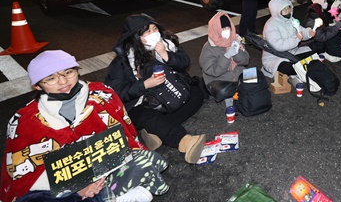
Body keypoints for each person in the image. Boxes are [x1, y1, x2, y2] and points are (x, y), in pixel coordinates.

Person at [1, 50, 170, 202]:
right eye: (51, 78)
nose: (63, 81)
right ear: (37, 85)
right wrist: (76, 188)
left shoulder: (102, 95)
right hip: (60, 184)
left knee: (144, 162)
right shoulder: (25, 120)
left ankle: (110, 195)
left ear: (78, 71)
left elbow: (125, 136)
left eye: (68, 72)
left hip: (106, 169)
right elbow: (24, 171)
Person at [105, 13, 206, 164]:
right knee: (142, 114)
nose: (154, 34)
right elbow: (116, 92)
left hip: (170, 92)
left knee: (197, 93)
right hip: (143, 102)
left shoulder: (167, 44)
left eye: (154, 29)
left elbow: (184, 63)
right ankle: (185, 141)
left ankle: (156, 132)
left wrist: (166, 55)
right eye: (147, 32)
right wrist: (145, 84)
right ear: (135, 37)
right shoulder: (123, 62)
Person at [200, 12, 250, 112]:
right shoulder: (209, 48)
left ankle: (238, 92)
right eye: (223, 29)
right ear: (216, 29)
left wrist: (236, 51)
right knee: (223, 91)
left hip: (236, 73)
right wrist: (227, 56)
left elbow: (245, 61)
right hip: (219, 79)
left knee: (257, 76)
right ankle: (235, 93)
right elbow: (214, 72)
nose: (227, 31)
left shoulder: (234, 40)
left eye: (228, 28)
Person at [261, 0, 316, 79]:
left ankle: (300, 69)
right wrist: (296, 39)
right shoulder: (270, 25)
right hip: (275, 57)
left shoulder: (292, 20)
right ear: (276, 11)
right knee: (286, 67)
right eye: (284, 10)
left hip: (292, 53)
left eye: (289, 8)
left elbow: (301, 31)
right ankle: (269, 69)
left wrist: (308, 33)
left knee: (312, 54)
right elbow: (279, 46)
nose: (288, 11)